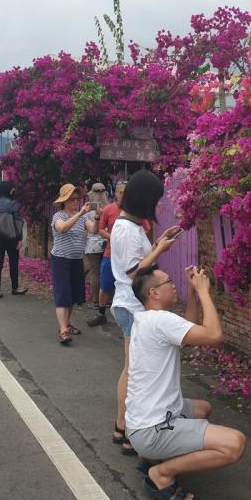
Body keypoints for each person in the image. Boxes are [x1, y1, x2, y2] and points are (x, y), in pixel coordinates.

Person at [127, 265, 247, 500]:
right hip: (152, 428)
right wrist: (204, 292)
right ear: (153, 293)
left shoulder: (148, 318)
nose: (174, 285)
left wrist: (192, 293)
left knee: (202, 409)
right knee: (235, 444)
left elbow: (187, 329)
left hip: (142, 422)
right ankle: (160, 474)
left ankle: (149, 458)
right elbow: (214, 336)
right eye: (168, 282)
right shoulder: (160, 321)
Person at [109, 170, 178, 456]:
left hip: (133, 305)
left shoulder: (134, 227)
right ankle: (125, 427)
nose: (157, 206)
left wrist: (159, 240)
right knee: (133, 370)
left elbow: (139, 260)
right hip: (130, 305)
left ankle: (122, 427)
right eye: (154, 200)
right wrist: (159, 248)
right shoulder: (125, 229)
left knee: (134, 369)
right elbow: (134, 272)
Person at [87, 180, 152, 328]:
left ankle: (129, 315)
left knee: (129, 284)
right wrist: (114, 238)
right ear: (116, 194)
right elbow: (100, 229)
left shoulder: (137, 211)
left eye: (126, 192)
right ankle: (101, 313)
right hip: (111, 255)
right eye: (120, 192)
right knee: (106, 285)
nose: (123, 195)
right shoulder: (108, 209)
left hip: (131, 256)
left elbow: (146, 230)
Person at [51, 183, 99, 344]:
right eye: (72, 199)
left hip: (76, 260)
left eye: (77, 199)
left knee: (71, 295)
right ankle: (62, 330)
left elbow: (93, 229)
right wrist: (79, 214)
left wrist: (98, 217)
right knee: (62, 295)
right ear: (64, 200)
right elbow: (62, 228)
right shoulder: (59, 216)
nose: (75, 202)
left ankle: (67, 324)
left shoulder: (83, 217)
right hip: (61, 260)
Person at [0, 181, 27, 298]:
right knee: (13, 263)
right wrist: (20, 239)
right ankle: (15, 288)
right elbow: (19, 223)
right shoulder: (14, 204)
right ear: (9, 190)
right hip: (12, 238)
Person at [83, 182, 109, 317]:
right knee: (107, 271)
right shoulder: (109, 208)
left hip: (92, 245)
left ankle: (96, 301)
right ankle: (107, 299)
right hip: (108, 242)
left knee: (95, 273)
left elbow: (89, 230)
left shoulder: (87, 211)